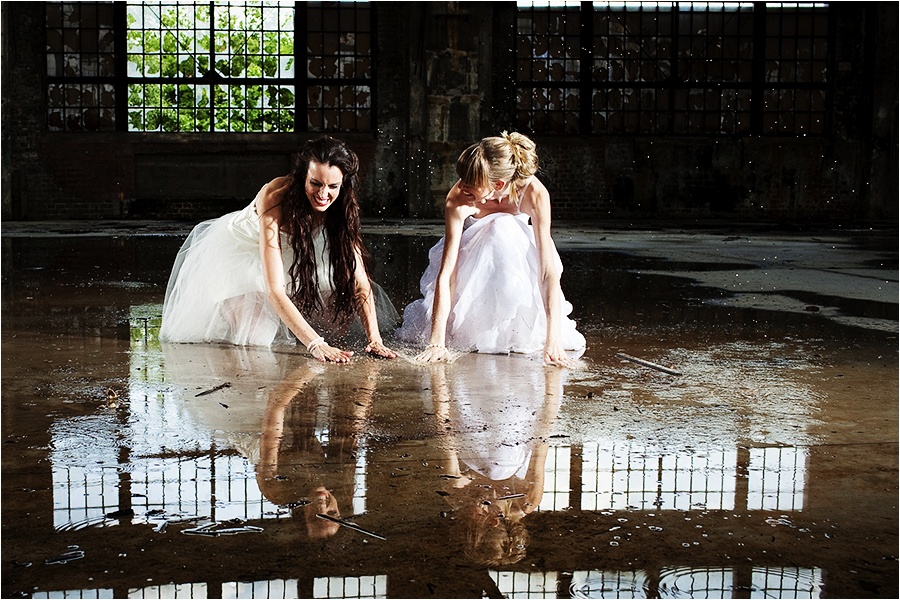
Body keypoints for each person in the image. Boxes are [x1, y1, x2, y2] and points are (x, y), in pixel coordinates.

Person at [159, 136, 398, 363]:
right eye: (315, 183)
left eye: (332, 186)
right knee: (257, 339)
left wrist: (374, 340)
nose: (324, 194)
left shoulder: (342, 203)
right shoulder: (275, 196)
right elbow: (274, 288)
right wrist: (315, 343)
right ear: (302, 176)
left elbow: (359, 282)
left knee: (334, 319)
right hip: (243, 254)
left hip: (290, 249)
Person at [396, 131, 585, 366]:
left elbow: (547, 271)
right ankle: (473, 328)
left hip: (517, 266)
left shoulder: (535, 194)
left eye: (470, 184)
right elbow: (447, 274)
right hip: (471, 264)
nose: (462, 186)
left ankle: (514, 329)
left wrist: (553, 339)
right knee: (494, 228)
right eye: (462, 178)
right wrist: (437, 341)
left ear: (498, 184)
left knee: (503, 226)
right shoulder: (459, 197)